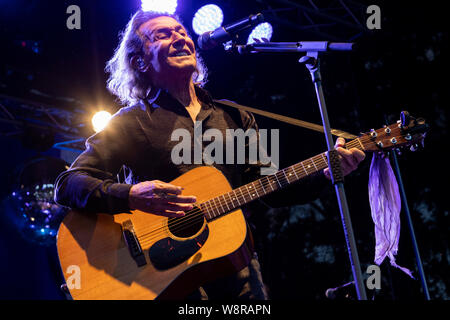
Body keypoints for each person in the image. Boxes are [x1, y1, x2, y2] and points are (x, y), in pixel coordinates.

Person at [54, 10, 365, 300]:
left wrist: (326, 172)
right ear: (140, 62)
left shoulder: (233, 116)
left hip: (237, 271)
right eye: (162, 35)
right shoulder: (129, 122)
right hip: (163, 281)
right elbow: (68, 184)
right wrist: (131, 195)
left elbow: (270, 187)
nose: (180, 37)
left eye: (181, 31)